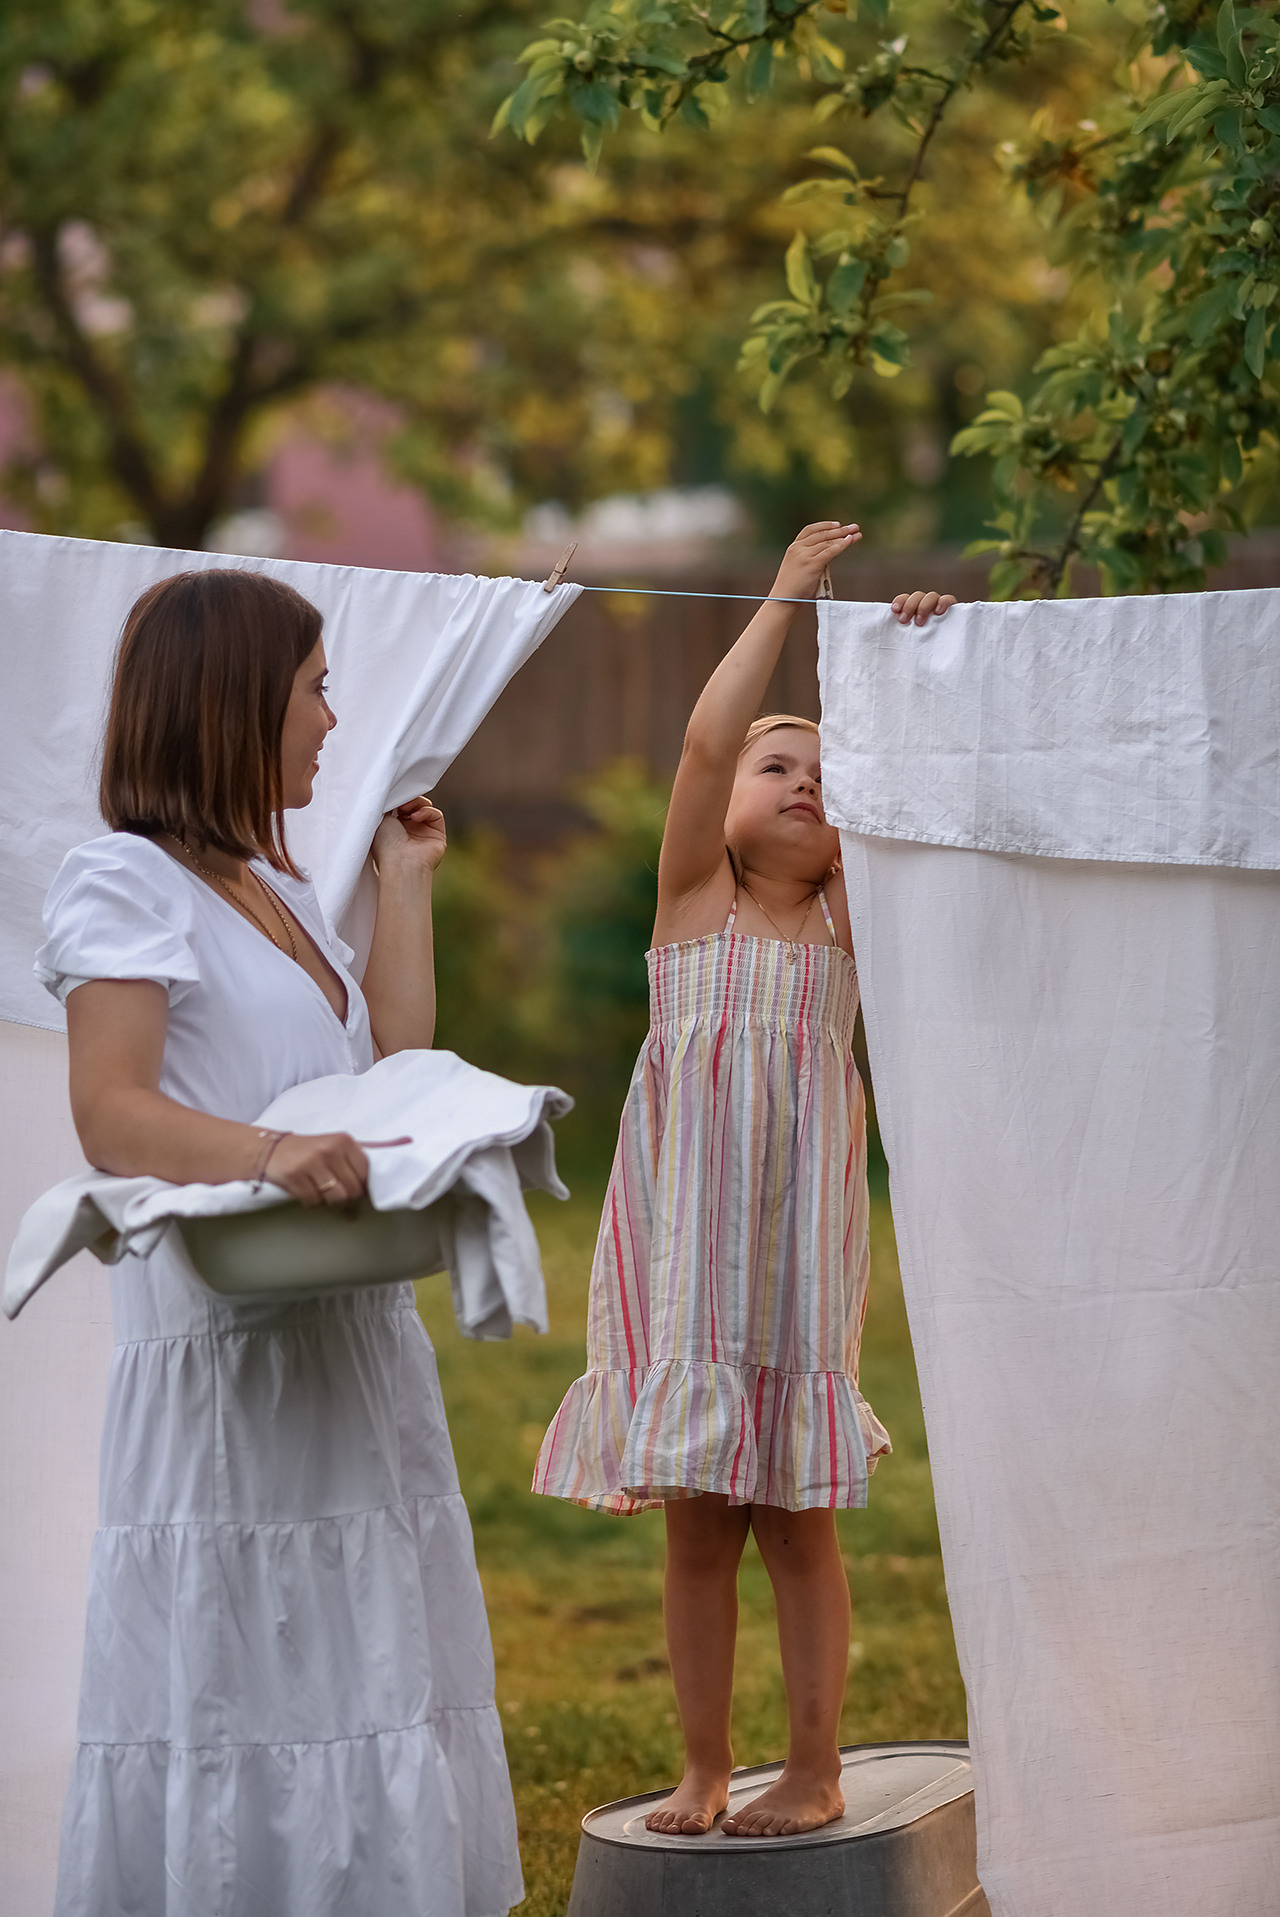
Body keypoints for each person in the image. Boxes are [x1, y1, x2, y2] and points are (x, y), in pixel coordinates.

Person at [36, 569, 522, 1916]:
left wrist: (402, 889)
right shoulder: (122, 881)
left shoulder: (279, 885)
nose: (331, 718)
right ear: (236, 702)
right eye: (314, 689)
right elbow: (112, 1109)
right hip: (225, 1357)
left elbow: (387, 1074)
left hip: (344, 1335)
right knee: (252, 1674)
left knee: (369, 1667)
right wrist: (262, 1153)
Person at [532, 524, 954, 1838]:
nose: (802, 782)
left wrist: (911, 668)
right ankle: (708, 1765)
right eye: (781, 763)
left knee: (794, 1526)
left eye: (829, 774)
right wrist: (785, 597)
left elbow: (929, 798)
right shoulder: (692, 902)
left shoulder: (849, 918)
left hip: (792, 1274)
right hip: (682, 1272)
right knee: (700, 1529)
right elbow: (706, 741)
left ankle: (816, 1765)